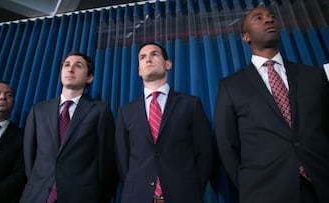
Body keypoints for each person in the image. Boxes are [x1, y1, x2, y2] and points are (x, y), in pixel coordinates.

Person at [214, 6, 329, 203]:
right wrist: (249, 185)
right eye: (258, 18)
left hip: (321, 184)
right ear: (246, 37)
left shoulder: (313, 76)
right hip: (264, 191)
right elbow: (227, 145)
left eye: (272, 17)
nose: (268, 20)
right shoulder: (230, 86)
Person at [115, 42, 214, 203]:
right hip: (137, 197)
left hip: (184, 195)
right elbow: (122, 158)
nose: (148, 59)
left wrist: (192, 189)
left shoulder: (191, 104)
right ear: (139, 70)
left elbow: (205, 153)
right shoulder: (125, 112)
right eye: (142, 57)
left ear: (168, 64)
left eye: (154, 54)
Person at [20, 52, 118, 203]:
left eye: (78, 66)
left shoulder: (100, 110)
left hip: (82, 196)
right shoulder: (38, 110)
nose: (70, 69)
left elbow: (106, 159)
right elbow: (29, 154)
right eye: (66, 65)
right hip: (38, 195)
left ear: (89, 78)